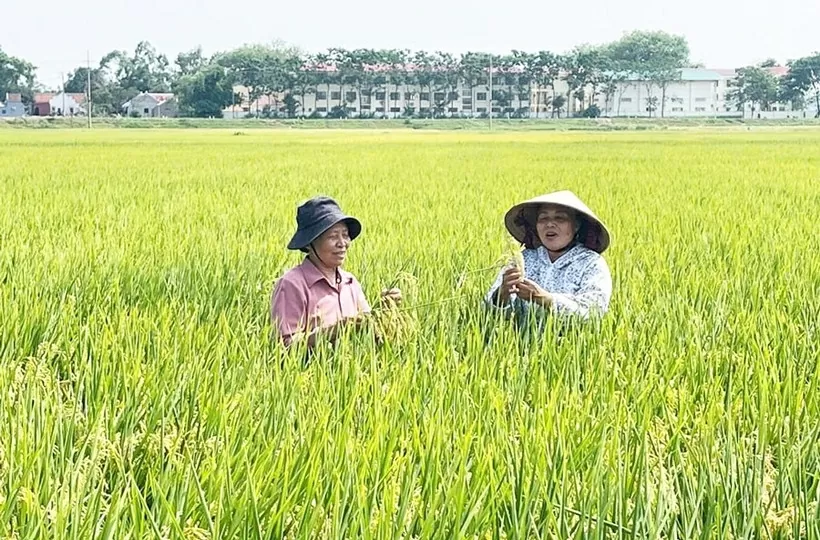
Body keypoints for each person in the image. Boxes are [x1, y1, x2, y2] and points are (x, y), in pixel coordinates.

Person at [271, 196, 401, 348]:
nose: (342, 244)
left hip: (350, 370)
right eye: (333, 236)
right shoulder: (292, 284)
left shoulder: (350, 282)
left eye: (345, 235)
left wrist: (383, 310)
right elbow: (283, 345)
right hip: (310, 371)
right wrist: (332, 331)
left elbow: (367, 330)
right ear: (309, 243)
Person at [485, 190, 613, 325]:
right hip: (522, 344)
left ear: (576, 226)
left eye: (560, 218)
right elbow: (489, 315)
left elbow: (594, 312)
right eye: (543, 218)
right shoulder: (524, 260)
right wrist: (501, 295)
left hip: (571, 344)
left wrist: (545, 299)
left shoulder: (591, 263)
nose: (550, 224)